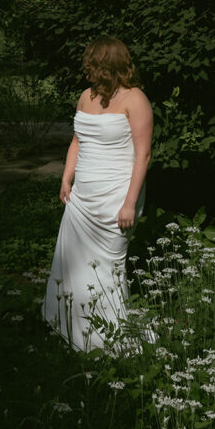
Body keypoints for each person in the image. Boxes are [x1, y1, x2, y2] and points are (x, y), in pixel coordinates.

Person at [41, 36, 156, 354]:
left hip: (116, 197)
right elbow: (77, 141)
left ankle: (111, 339)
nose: (86, 71)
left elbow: (143, 155)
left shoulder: (136, 99)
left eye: (91, 65)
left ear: (107, 66)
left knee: (107, 267)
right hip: (82, 197)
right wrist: (66, 177)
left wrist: (130, 203)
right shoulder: (85, 96)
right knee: (73, 263)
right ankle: (72, 329)